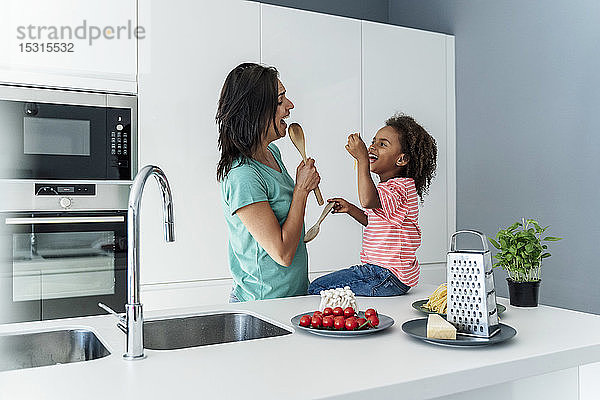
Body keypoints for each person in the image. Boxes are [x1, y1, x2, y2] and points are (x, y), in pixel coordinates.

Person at [217, 63, 320, 302]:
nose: (290, 106)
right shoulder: (242, 175)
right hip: (262, 306)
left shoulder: (272, 153)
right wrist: (301, 190)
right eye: (281, 100)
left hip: (289, 301)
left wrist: (301, 189)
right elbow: (282, 253)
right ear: (257, 111)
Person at [308, 113, 437, 296]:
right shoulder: (392, 188)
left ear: (401, 159)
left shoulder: (399, 188)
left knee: (317, 288)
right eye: (373, 141)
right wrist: (351, 209)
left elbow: (367, 200)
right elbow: (376, 222)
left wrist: (361, 159)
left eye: (382, 144)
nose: (372, 147)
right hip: (388, 275)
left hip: (385, 275)